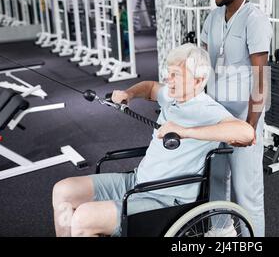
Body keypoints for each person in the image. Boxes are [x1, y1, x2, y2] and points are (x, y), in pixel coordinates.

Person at [51, 44, 255, 237]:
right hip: (137, 182)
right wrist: (129, 94)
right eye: (169, 72)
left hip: (164, 199)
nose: (169, 79)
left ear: (198, 81)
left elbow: (246, 133)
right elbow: (149, 88)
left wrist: (185, 131)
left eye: (176, 75)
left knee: (83, 218)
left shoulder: (208, 110)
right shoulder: (173, 95)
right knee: (63, 191)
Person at [201, 0, 273, 237]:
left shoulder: (254, 20)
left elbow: (260, 79)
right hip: (216, 115)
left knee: (247, 191)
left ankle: (252, 239)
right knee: (217, 180)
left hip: (244, 117)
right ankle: (221, 233)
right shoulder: (213, 17)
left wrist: (250, 128)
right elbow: (203, 65)